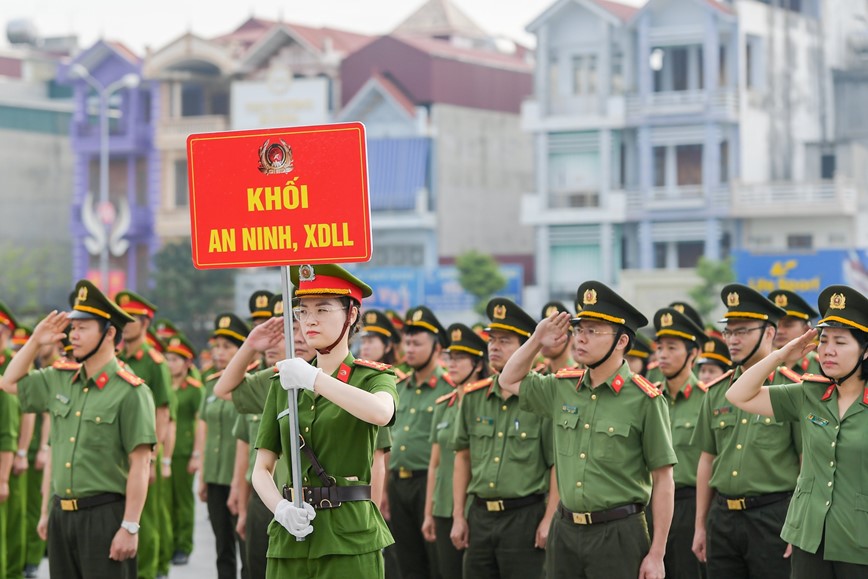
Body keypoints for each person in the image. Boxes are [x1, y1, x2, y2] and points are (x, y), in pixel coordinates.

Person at [500, 281, 677, 579]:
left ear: (621, 342)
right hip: (565, 529)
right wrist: (536, 341)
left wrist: (657, 554)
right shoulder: (563, 387)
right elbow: (509, 380)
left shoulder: (645, 399)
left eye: (593, 331)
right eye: (579, 330)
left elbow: (664, 479)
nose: (580, 339)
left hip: (619, 533)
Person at [0, 280, 156, 579]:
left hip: (104, 516)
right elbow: (8, 383)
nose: (74, 334)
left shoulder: (131, 392)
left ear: (109, 333)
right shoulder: (59, 379)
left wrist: (130, 526)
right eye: (72, 328)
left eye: (83, 327)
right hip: (62, 515)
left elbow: (140, 464)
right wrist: (35, 341)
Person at [251, 264, 397, 577]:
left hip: (349, 538)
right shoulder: (284, 383)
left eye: (323, 308)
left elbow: (381, 413)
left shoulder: (373, 378)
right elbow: (261, 469)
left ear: (352, 314)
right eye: (302, 310)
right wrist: (281, 509)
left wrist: (314, 379)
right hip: (292, 536)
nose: (310, 320)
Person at [726, 284, 868, 577]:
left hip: (860, 542)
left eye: (840, 343)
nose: (828, 351)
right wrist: (781, 354)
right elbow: (738, 395)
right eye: (824, 341)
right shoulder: (809, 394)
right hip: (808, 538)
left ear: (865, 352)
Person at [691, 284, 801, 579]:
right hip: (723, 517)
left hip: (773, 516)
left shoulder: (791, 388)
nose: (732, 340)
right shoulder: (716, 392)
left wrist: (799, 525)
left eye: (742, 331)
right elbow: (707, 459)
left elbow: (807, 462)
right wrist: (701, 525)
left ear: (768, 333)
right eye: (729, 331)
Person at [450, 299, 557, 579]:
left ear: (527, 348)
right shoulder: (473, 397)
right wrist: (459, 516)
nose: (494, 347)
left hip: (524, 516)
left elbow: (555, 465)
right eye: (492, 340)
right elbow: (462, 457)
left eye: (505, 341)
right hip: (481, 516)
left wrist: (548, 520)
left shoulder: (542, 399)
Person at [387, 305, 454, 579]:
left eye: (417, 343)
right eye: (407, 342)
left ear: (437, 348)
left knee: (437, 561)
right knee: (407, 562)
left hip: (431, 484)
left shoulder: (449, 387)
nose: (410, 349)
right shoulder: (398, 386)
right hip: (398, 484)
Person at [114, 290, 175, 579]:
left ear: (145, 323)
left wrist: (153, 454)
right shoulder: (118, 358)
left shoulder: (155, 362)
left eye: (131, 319)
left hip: (146, 448)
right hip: (122, 448)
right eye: (122, 318)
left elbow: (163, 413)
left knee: (146, 518)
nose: (125, 324)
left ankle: (150, 571)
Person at [422, 323, 487, 578]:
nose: (453, 364)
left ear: (478, 365)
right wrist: (428, 513)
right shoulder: (443, 406)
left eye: (461, 358)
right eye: (450, 357)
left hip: (476, 507)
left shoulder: (487, 404)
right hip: (444, 508)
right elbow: (434, 465)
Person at [650, 307, 709, 579]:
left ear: (693, 353)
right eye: (659, 347)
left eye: (671, 348)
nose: (662, 354)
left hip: (689, 506)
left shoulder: (707, 399)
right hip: (649, 506)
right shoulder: (648, 398)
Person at [195, 313, 247, 579]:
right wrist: (203, 476)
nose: (220, 352)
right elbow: (205, 429)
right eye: (217, 346)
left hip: (241, 478)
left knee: (247, 549)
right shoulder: (211, 385)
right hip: (216, 477)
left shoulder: (251, 384)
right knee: (222, 549)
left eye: (227, 347)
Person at [164, 332, 204, 567]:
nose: (170, 364)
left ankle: (183, 546)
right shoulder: (165, 386)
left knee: (183, 501)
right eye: (168, 359)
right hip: (165, 452)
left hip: (184, 451)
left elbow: (200, 423)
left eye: (175, 360)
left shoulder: (194, 388)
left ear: (188, 363)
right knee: (165, 501)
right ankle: (168, 544)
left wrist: (197, 454)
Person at [768, 289, 821, 375]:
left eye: (788, 325)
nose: (780, 331)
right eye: (775, 325)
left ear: (806, 329)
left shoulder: (821, 366)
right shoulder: (763, 365)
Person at [537, 302, 574, 373]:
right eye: (544, 332)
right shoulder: (540, 374)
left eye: (555, 333)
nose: (546, 338)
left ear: (571, 338)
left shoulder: (578, 375)